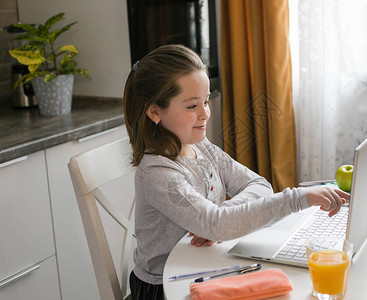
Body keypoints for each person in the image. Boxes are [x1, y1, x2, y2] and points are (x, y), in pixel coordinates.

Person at [123, 44, 350, 300]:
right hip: (166, 286)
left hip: (206, 267)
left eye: (206, 101)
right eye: (191, 106)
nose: (205, 114)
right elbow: (218, 224)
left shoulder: (201, 147)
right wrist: (300, 198)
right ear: (154, 111)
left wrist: (218, 221)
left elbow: (259, 184)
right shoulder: (157, 172)